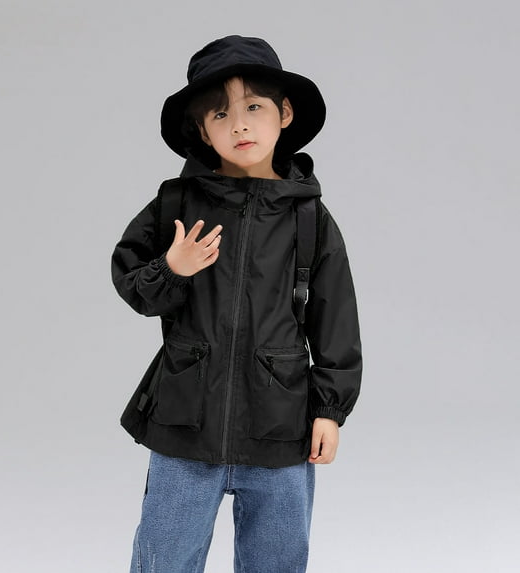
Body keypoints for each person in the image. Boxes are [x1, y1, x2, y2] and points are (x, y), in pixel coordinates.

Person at [111, 35, 362, 573]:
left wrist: (330, 410)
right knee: (163, 560)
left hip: (281, 426)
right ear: (203, 130)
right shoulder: (176, 204)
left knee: (277, 562)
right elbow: (132, 283)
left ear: (284, 113)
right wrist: (171, 268)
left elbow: (335, 320)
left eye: (253, 107)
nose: (240, 126)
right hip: (185, 423)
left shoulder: (309, 219)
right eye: (220, 114)